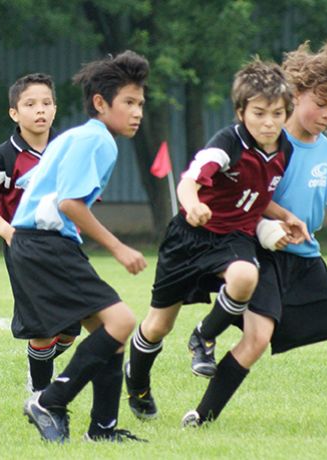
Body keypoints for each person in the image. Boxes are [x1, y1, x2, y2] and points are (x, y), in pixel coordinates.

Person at [182, 41, 327, 427]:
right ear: (296, 94)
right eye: (321, 103)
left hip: (307, 261)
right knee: (256, 339)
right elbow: (241, 193)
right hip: (261, 255)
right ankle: (202, 416)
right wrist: (269, 225)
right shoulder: (269, 142)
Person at [124, 57, 307, 421]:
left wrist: (287, 216)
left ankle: (204, 336)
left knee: (245, 277)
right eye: (258, 113)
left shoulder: (284, 149)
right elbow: (189, 180)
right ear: (241, 112)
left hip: (232, 239)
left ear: (288, 112)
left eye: (276, 113)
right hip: (188, 238)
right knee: (159, 324)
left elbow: (255, 193)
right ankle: (138, 382)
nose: (268, 122)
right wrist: (192, 205)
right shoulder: (226, 144)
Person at [10, 51, 150, 443]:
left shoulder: (76, 136)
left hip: (40, 244)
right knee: (122, 322)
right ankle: (49, 400)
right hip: (44, 244)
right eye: (129, 102)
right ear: (101, 103)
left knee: (111, 330)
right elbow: (69, 203)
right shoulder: (97, 140)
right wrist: (119, 248)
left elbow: (34, 183)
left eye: (141, 103)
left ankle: (102, 429)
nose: (138, 111)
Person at [0, 73, 78, 393]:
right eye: (30, 104)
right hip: (25, 250)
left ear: (55, 109)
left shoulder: (67, 150)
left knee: (72, 328)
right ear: (14, 114)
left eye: (46, 103)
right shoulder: (5, 156)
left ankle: (40, 363)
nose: (40, 110)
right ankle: (41, 395)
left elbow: (81, 195)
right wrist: (7, 231)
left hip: (64, 246)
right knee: (42, 327)